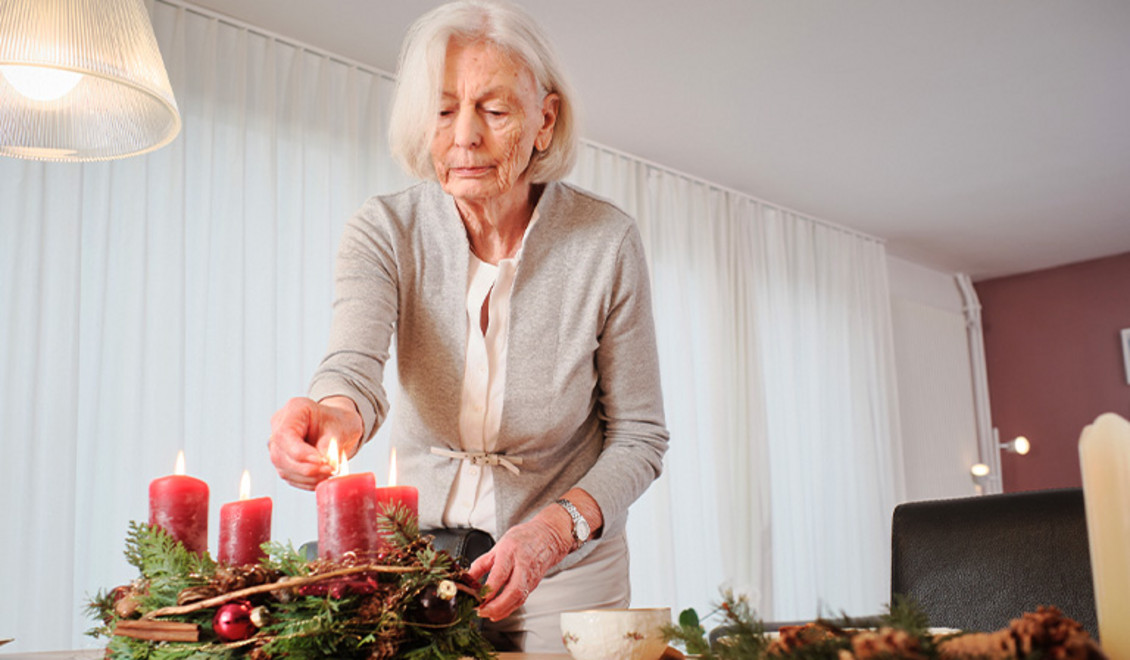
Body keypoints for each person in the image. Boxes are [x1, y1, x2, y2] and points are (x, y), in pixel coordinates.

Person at [266, 0, 668, 651]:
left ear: (545, 119)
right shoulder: (385, 230)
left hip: (567, 576)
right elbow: (353, 370)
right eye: (443, 109)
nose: (464, 138)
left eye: (495, 110)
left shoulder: (605, 241)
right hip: (421, 564)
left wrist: (555, 529)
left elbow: (639, 438)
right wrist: (331, 416)